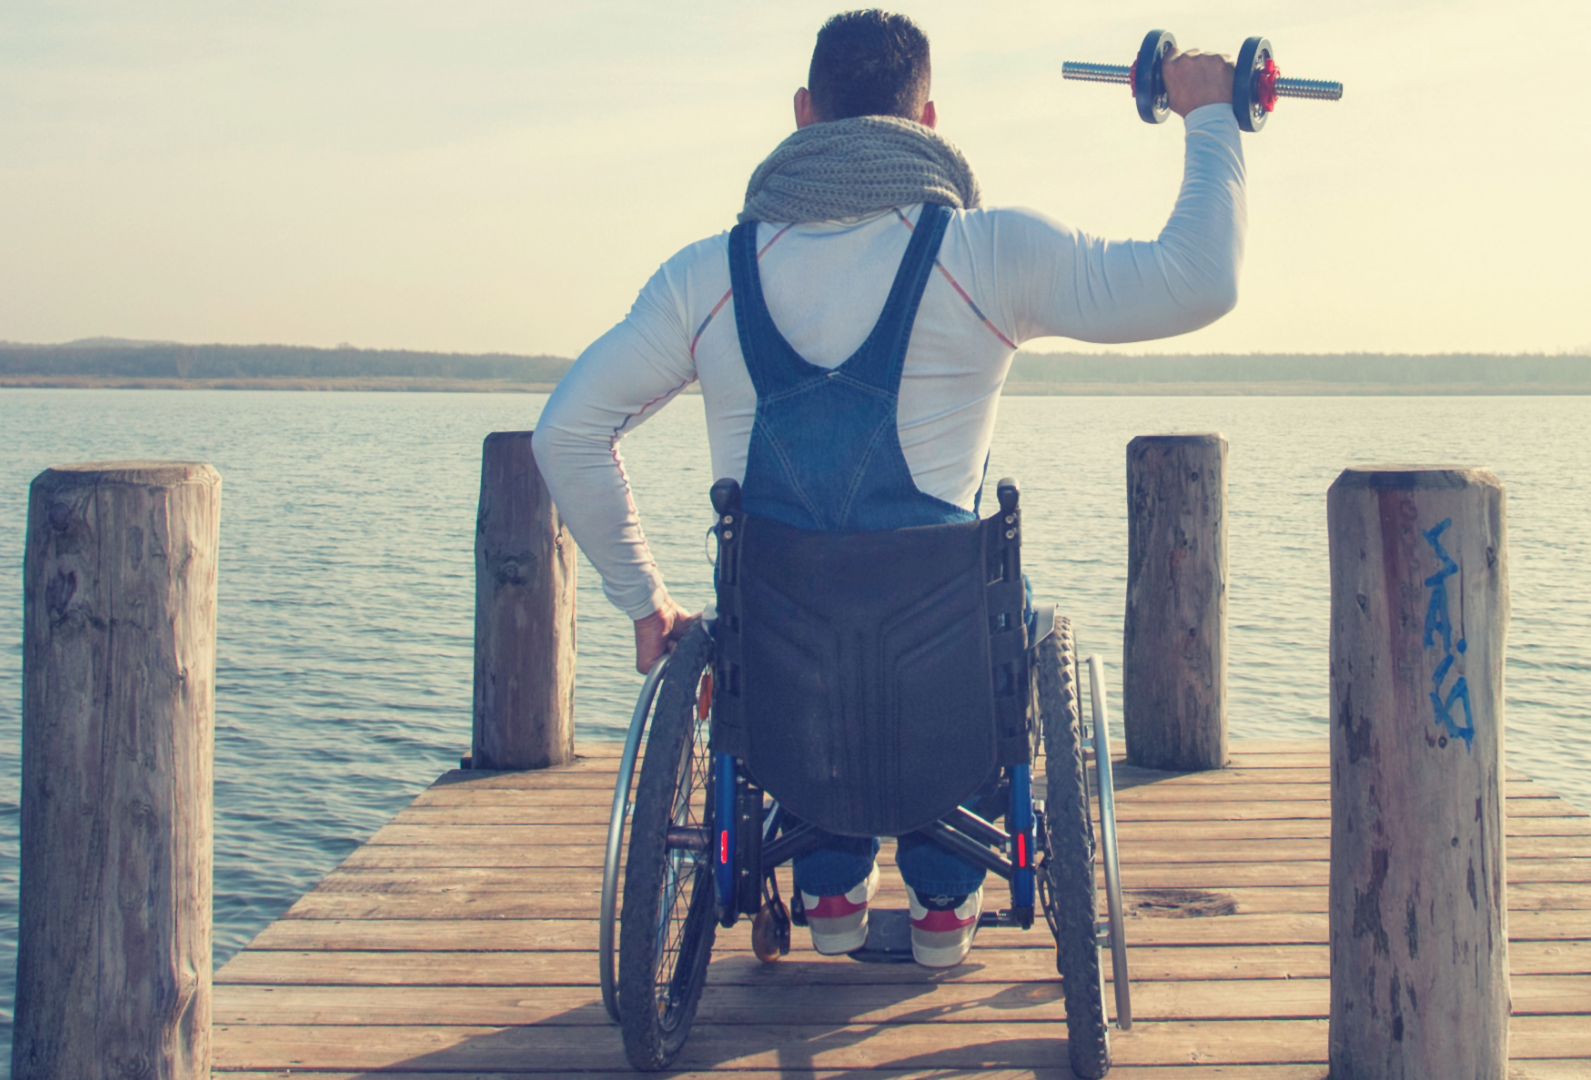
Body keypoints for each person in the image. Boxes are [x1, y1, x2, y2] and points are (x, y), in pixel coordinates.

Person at [532, 9, 1242, 968]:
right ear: (930, 117)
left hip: (781, 675)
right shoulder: (988, 255)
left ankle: (827, 883)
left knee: (783, 619)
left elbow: (566, 431)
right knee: (991, 611)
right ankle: (947, 899)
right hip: (946, 664)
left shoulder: (706, 277)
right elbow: (1197, 282)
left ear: (802, 115)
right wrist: (1208, 115)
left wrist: (644, 602)